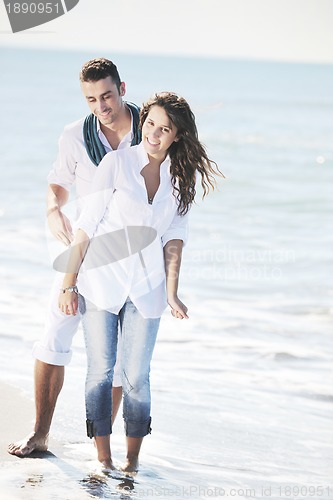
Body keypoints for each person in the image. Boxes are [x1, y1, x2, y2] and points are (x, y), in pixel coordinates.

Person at [57, 92, 221, 473]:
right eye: (150, 124)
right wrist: (69, 284)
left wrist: (172, 292)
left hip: (147, 291)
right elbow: (86, 225)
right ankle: (103, 459)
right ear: (142, 122)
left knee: (136, 378)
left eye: (165, 129)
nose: (155, 134)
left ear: (177, 136)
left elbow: (174, 238)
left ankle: (131, 463)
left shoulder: (181, 178)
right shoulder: (116, 164)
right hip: (101, 282)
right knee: (100, 371)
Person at [7, 57, 142, 457]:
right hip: (82, 252)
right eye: (91, 99)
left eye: (107, 95)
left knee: (117, 360)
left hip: (132, 259)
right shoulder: (74, 136)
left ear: (122, 88)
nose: (101, 106)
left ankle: (100, 451)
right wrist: (52, 208)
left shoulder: (149, 132)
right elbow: (58, 183)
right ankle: (39, 434)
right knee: (53, 338)